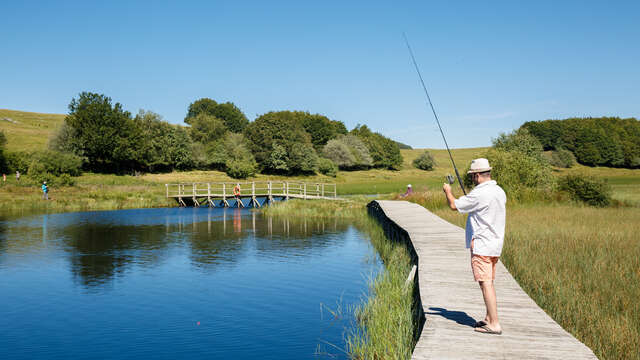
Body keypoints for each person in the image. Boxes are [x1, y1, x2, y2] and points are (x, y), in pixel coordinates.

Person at [442, 158, 506, 335]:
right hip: (495, 244)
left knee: (485, 283)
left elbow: (454, 205)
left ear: (477, 175)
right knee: (488, 282)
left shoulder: (479, 194)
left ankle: (494, 323)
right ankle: (488, 318)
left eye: (472, 176)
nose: (472, 179)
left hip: (482, 245)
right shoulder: (499, 191)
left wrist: (448, 191)